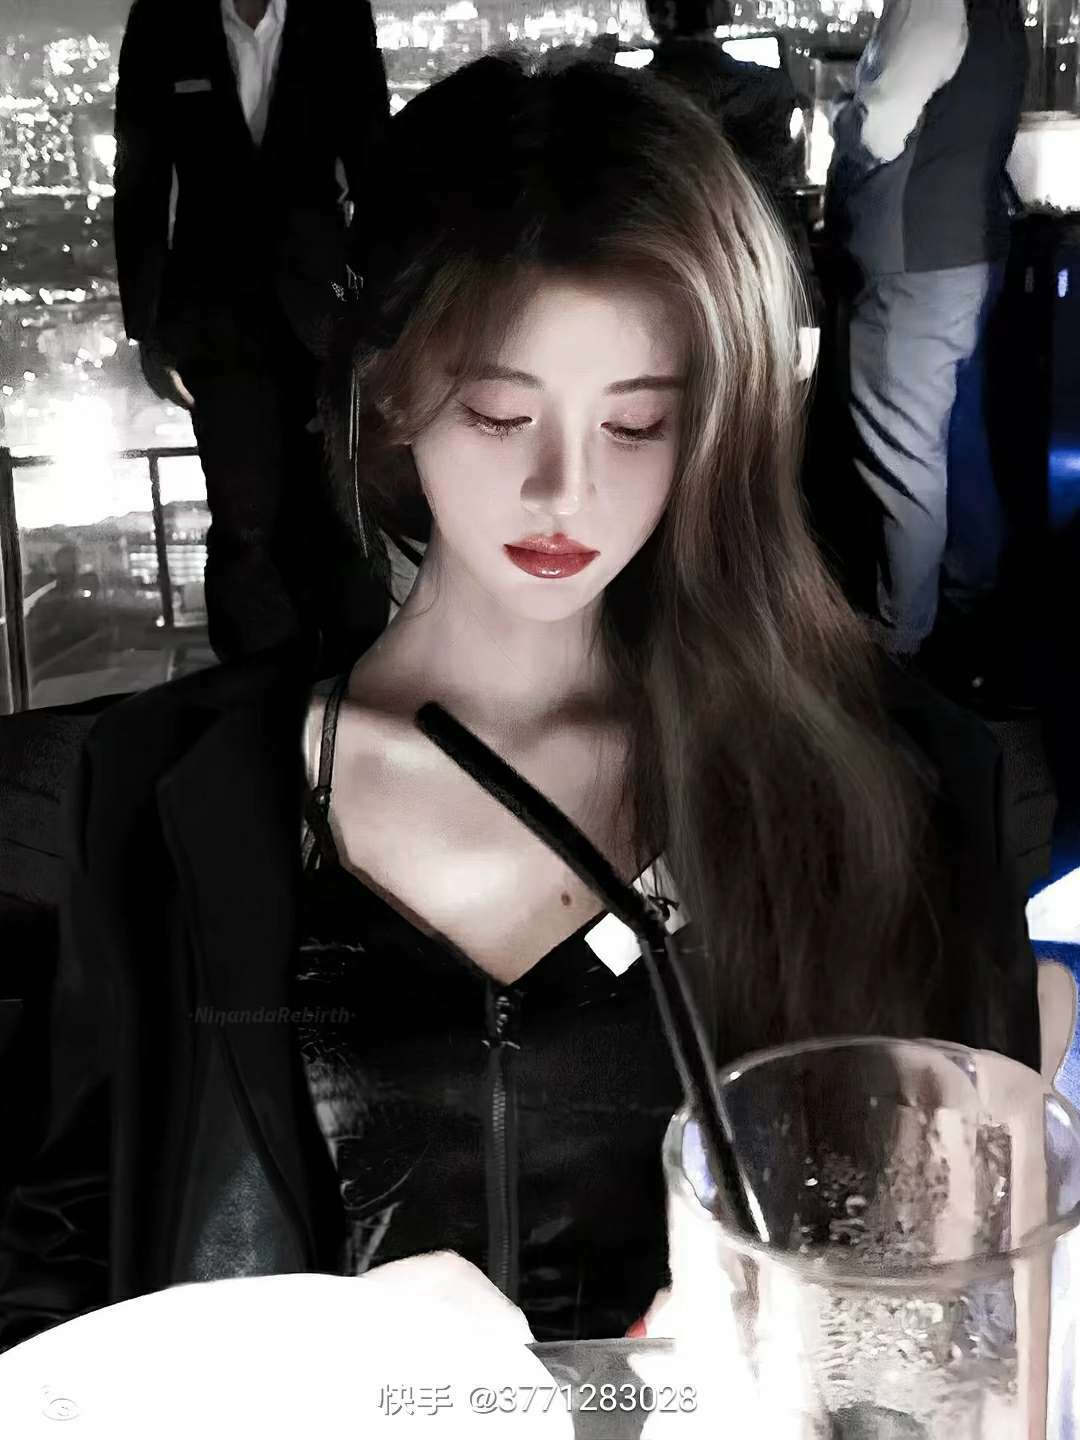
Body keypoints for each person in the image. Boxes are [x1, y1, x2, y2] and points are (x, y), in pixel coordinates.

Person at [0, 53, 1038, 1353]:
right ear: (392, 395)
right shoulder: (171, 795)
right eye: (500, 415)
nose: (566, 492)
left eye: (636, 425)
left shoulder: (893, 786)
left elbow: (972, 1309)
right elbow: (52, 1274)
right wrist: (296, 1348)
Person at [113, 0, 391, 666]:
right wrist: (147, 329)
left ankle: (352, 686)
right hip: (216, 318)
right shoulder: (162, 19)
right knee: (245, 524)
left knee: (344, 510)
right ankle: (260, 698)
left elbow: (376, 166)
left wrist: (380, 313)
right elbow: (140, 179)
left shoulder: (337, 13)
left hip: (324, 312)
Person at [824, 0, 1027, 690]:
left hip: (913, 256)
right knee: (957, 441)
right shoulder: (1002, 10)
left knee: (902, 454)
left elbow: (879, 128)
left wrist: (842, 119)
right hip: (973, 252)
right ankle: (972, 602)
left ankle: (902, 637)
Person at [644, 0, 821, 323]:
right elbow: (786, 182)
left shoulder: (630, 100)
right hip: (756, 281)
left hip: (663, 282)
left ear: (655, 14)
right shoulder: (769, 89)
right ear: (719, 10)